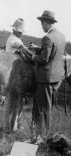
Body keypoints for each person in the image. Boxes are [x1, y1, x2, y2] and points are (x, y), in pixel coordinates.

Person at [28, 10, 66, 144]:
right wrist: (38, 48)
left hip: (45, 78)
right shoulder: (60, 36)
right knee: (46, 106)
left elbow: (44, 58)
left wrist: (33, 56)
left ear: (46, 23)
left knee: (43, 108)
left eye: (42, 24)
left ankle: (43, 137)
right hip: (56, 77)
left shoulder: (48, 38)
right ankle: (40, 135)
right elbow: (53, 51)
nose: (41, 27)